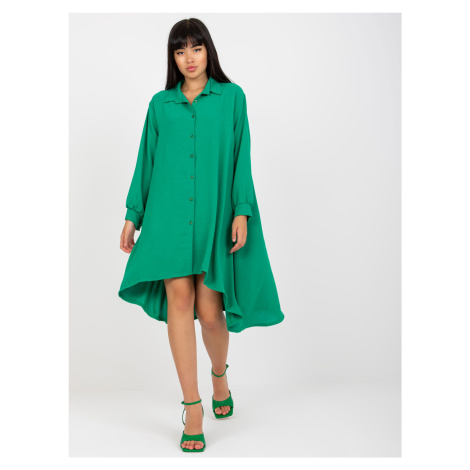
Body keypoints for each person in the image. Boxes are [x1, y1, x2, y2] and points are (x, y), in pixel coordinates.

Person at [118, 18, 284, 452]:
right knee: (180, 299)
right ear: (172, 58)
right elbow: (146, 160)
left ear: (209, 50)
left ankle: (219, 375)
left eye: (196, 48)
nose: (189, 58)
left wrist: (242, 210)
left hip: (213, 217)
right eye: (180, 51)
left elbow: (241, 156)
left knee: (210, 312)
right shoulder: (160, 105)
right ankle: (192, 406)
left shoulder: (232, 98)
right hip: (168, 219)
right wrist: (133, 215)